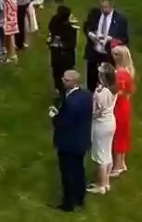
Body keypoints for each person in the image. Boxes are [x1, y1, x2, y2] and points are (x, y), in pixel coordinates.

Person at [50, 68, 92, 211]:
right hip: (82, 139)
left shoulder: (71, 103)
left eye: (66, 79)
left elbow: (63, 123)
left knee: (68, 173)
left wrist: (54, 117)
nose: (62, 80)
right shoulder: (86, 95)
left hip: (68, 142)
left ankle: (68, 203)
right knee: (79, 169)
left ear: (73, 82)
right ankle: (80, 197)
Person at [83, 0, 129, 83]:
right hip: (94, 53)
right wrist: (90, 35)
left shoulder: (120, 20)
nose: (103, 10)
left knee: (108, 81)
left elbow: (124, 39)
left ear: (112, 6)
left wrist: (112, 40)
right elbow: (86, 27)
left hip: (108, 55)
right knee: (91, 80)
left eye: (106, 7)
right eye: (102, 7)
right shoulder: (94, 14)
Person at [107, 44, 136, 178]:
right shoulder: (128, 71)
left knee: (118, 135)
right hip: (125, 105)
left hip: (118, 107)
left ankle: (117, 166)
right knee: (123, 133)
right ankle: (122, 163)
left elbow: (114, 92)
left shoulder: (119, 75)